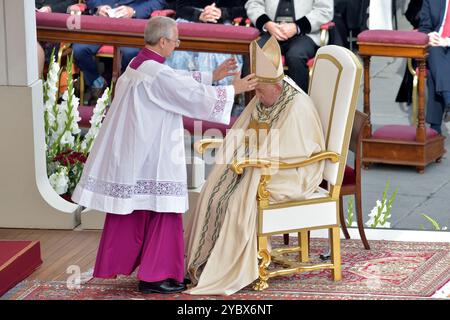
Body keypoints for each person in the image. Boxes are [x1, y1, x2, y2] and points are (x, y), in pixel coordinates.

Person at [71, 16, 257, 294]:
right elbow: (190, 95)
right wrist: (232, 90)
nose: (178, 43)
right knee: (164, 209)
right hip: (152, 152)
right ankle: (156, 275)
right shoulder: (156, 73)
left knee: (140, 208)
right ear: (163, 41)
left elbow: (177, 82)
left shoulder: (138, 64)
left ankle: (154, 270)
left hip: (139, 148)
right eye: (175, 39)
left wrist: (211, 77)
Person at [184, 36, 325, 295]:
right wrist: (234, 152)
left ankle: (232, 267)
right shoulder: (264, 96)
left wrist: (253, 159)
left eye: (260, 91)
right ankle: (203, 264)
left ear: (278, 87)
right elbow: (243, 131)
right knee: (211, 190)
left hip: (292, 173)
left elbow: (295, 151)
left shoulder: (297, 106)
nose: (256, 96)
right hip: (259, 166)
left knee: (239, 200)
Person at [72, 0, 166, 104]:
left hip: (131, 24)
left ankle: (124, 93)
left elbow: (159, 1)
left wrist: (134, 11)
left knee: (131, 53)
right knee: (79, 50)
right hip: (102, 21)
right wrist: (98, 7)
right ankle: (98, 85)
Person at [165, 1, 248, 115]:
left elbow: (246, 7)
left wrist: (222, 13)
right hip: (190, 20)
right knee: (181, 50)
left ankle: (215, 107)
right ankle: (182, 105)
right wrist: (198, 14)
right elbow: (179, 6)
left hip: (227, 22)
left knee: (218, 53)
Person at [245, 0, 333, 92]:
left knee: (296, 55)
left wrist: (297, 27)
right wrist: (267, 23)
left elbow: (325, 10)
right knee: (257, 51)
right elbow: (253, 4)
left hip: (305, 33)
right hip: (270, 31)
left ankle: (299, 102)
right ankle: (257, 102)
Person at [419, 0, 450, 134]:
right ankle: (448, 98)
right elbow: (424, 28)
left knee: (433, 73)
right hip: (437, 46)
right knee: (434, 52)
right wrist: (428, 36)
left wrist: (447, 41)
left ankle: (435, 127)